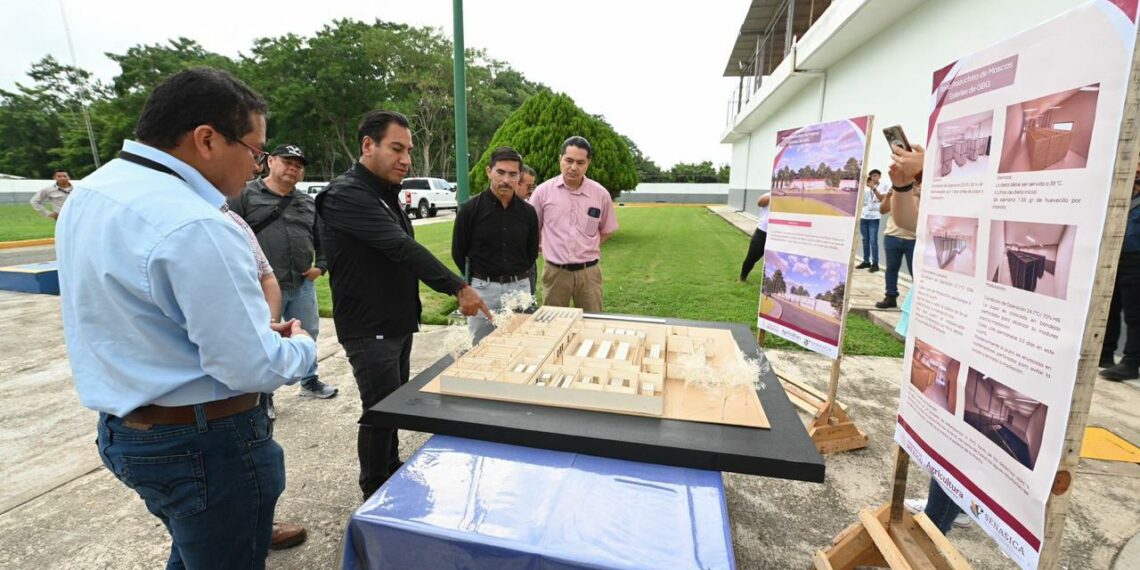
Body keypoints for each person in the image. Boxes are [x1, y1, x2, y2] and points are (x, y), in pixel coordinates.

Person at [56, 67, 316, 569]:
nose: (257, 164)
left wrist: (250, 335)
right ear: (206, 139)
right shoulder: (196, 222)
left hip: (128, 430)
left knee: (197, 548)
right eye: (256, 150)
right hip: (204, 441)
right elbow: (250, 368)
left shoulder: (93, 192)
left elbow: (146, 316)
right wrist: (299, 346)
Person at [317, 110, 492, 500]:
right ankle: (375, 490)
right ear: (368, 145)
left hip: (395, 320)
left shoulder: (384, 195)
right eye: (397, 148)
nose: (406, 159)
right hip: (368, 324)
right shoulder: (345, 195)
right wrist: (458, 287)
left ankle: (391, 470)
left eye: (409, 150)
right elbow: (401, 247)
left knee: (394, 405)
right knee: (379, 411)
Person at [229, 143, 338, 400]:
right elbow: (228, 235)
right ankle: (265, 396)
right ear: (270, 162)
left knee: (308, 331)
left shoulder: (306, 202)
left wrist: (320, 267)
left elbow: (322, 239)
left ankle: (309, 381)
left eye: (298, 165)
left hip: (301, 283)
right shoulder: (244, 194)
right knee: (264, 337)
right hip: (261, 286)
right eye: (287, 162)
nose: (293, 168)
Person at [452, 147, 539, 339]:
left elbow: (531, 252)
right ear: (489, 171)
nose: (506, 180)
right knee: (480, 348)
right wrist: (477, 281)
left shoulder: (529, 213)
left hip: (519, 288)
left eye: (513, 174)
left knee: (520, 344)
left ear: (519, 176)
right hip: (483, 289)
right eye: (500, 172)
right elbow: (458, 251)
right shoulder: (469, 210)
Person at [528, 136, 619, 312]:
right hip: (555, 272)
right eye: (568, 160)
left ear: (588, 163)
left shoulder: (600, 194)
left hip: (589, 273)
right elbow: (532, 228)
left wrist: (587, 247)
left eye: (580, 162)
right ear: (560, 159)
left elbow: (607, 229)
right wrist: (545, 246)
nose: (573, 167)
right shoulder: (543, 192)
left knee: (593, 323)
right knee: (554, 323)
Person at [1099, 157, 1140, 380]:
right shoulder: (1127, 194)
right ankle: (1104, 354)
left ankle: (1131, 362)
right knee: (1109, 307)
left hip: (1136, 259)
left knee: (1134, 315)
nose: (1136, 168)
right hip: (1116, 257)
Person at [875, 146, 923, 309]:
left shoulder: (925, 192)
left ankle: (918, 303)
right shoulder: (897, 189)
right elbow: (882, 210)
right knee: (891, 269)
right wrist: (889, 196)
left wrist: (918, 192)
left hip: (913, 239)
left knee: (915, 273)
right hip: (892, 237)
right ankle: (890, 297)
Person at [856, 169, 887, 272]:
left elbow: (882, 199)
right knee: (865, 240)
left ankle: (875, 264)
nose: (873, 178)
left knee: (873, 241)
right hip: (864, 217)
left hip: (874, 218)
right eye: (871, 176)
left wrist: (873, 188)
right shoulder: (866, 188)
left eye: (875, 176)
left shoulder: (883, 186)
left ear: (879, 176)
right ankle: (866, 262)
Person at [738, 192, 771, 282]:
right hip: (762, 232)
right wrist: (775, 195)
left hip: (778, 235)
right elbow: (760, 202)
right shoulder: (769, 195)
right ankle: (742, 277)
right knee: (751, 257)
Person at [516, 164, 539, 294]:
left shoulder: (529, 211)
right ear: (516, 182)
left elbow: (532, 247)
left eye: (533, 187)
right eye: (528, 187)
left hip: (526, 271)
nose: (531, 191)